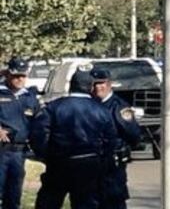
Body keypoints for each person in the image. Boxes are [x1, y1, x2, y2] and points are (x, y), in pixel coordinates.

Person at [31, 70, 118, 209]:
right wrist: (102, 159)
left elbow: (39, 134)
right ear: (90, 88)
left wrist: (45, 155)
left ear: (71, 86)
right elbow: (110, 139)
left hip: (59, 162)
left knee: (49, 202)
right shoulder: (101, 110)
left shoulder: (53, 107)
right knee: (86, 203)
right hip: (89, 163)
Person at [90, 68, 142, 209]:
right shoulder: (90, 104)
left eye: (101, 83)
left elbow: (134, 134)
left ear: (109, 84)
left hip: (113, 164)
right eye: (94, 84)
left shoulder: (118, 106)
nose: (97, 87)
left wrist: (122, 148)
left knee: (114, 200)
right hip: (93, 163)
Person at [0, 57, 42, 209]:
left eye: (22, 76)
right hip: (1, 150)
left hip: (19, 151)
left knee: (14, 194)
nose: (19, 79)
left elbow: (39, 123)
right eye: (16, 75)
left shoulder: (30, 97)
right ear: (8, 74)